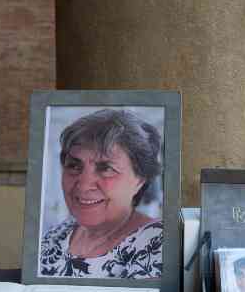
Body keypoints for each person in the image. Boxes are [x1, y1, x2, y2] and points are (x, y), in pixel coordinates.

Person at [40, 109, 163, 279]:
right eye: (74, 166)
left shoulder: (156, 242)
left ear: (140, 180)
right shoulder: (55, 235)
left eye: (106, 169)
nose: (83, 185)